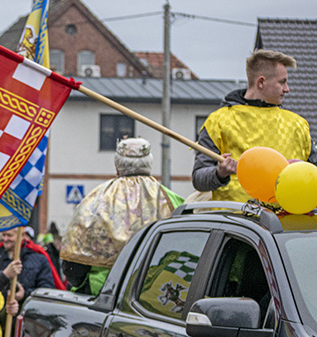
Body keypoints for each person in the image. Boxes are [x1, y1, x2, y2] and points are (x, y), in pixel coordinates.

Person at [61, 137, 184, 295]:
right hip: (158, 296)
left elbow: (73, 266)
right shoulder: (173, 201)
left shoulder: (94, 201)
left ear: (116, 165)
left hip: (103, 295)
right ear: (149, 164)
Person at [192, 49, 317, 202]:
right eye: (282, 82)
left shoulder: (298, 124)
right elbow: (198, 179)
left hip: (289, 222)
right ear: (261, 82)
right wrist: (219, 173)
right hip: (236, 221)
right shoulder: (218, 122)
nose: (287, 89)